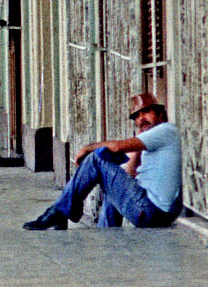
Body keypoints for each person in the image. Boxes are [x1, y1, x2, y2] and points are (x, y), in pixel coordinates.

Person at [23, 92, 182, 230]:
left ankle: (59, 211)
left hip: (151, 211)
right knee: (111, 183)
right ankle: (104, 231)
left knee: (96, 158)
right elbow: (129, 172)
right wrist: (137, 146)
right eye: (137, 116)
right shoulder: (152, 139)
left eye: (147, 112)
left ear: (160, 113)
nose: (142, 118)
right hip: (154, 212)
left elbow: (117, 147)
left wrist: (87, 148)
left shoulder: (165, 130)